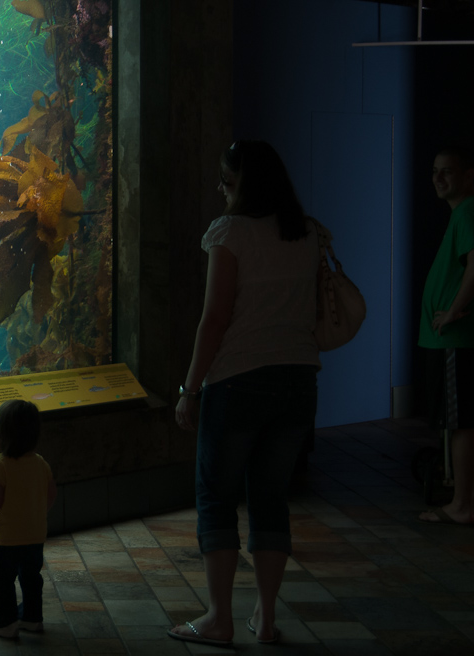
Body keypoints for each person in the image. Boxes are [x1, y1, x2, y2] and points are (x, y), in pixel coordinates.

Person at [167, 141, 320, 646]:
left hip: (238, 381)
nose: (219, 188)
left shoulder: (230, 234)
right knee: (271, 496)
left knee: (216, 497)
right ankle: (267, 615)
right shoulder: (306, 234)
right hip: (298, 380)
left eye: (226, 179)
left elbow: (215, 319)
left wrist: (191, 388)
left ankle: (218, 618)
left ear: (243, 183)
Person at [418, 146, 474, 526]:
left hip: (457, 338)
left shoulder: (467, 211)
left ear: (468, 175)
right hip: (470, 336)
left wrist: (452, 310)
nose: (439, 178)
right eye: (436, 171)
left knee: (462, 424)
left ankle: (463, 506)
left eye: (448, 171)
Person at [0, 399, 57, 639]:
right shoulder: (41, 463)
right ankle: (32, 618)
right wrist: (37, 514)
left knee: (3, 580)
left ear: (1, 432)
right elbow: (51, 493)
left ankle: (4, 623)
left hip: (7, 538)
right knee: (32, 578)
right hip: (35, 536)